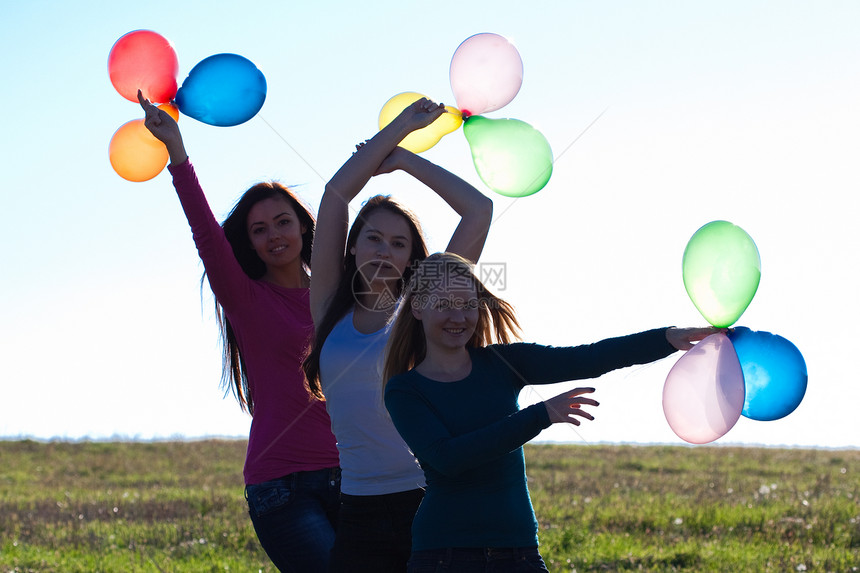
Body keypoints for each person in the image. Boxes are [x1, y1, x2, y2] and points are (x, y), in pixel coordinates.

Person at [382, 252, 718, 572]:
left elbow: (590, 358)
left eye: (468, 305)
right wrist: (540, 415)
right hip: (445, 556)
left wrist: (666, 338)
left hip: (518, 551)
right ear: (418, 308)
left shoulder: (504, 363)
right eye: (444, 305)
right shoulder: (404, 390)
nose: (459, 317)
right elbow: (448, 459)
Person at [138, 91, 340, 573]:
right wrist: (177, 153)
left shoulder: (339, 296)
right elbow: (207, 234)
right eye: (259, 229)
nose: (274, 236)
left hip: (354, 477)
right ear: (248, 242)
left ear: (304, 228)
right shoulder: (247, 300)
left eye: (282, 222)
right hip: (281, 486)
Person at [302, 98, 494, 572]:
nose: (385, 249)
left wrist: (405, 158)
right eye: (373, 237)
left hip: (426, 499)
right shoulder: (328, 303)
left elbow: (478, 210)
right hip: (358, 509)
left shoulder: (422, 305)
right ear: (352, 247)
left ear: (412, 258)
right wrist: (399, 128)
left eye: (399, 242)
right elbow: (334, 196)